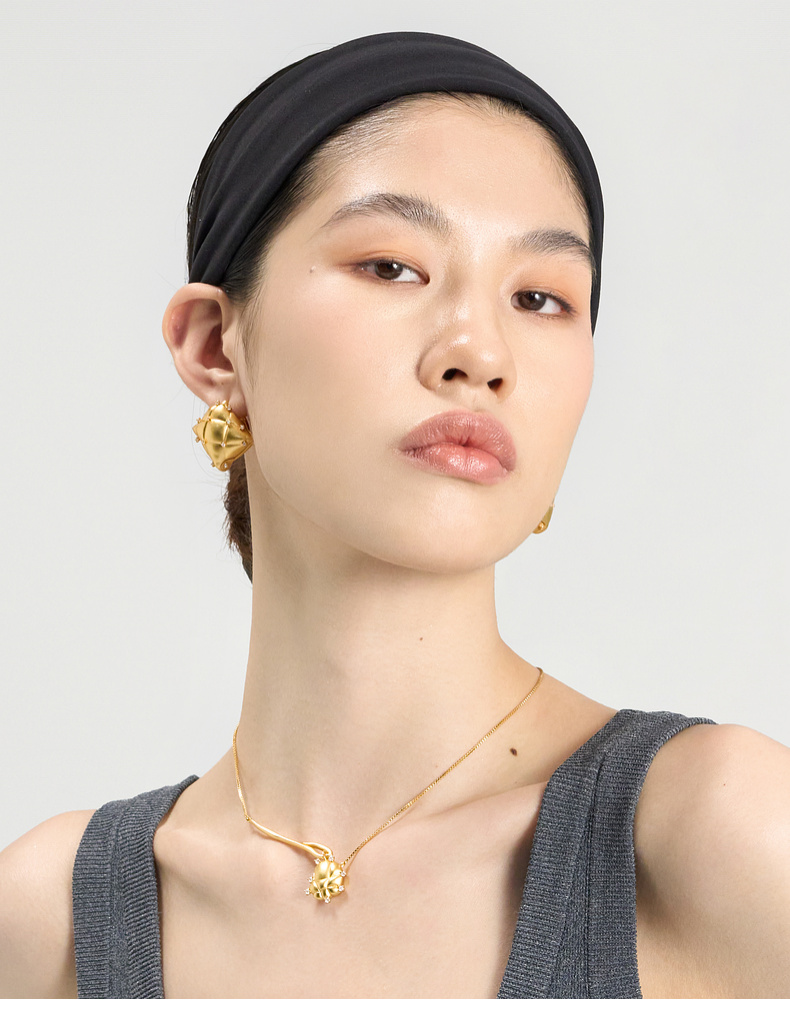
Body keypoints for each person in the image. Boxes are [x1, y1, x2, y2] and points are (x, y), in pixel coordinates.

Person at [1, 30, 788, 1000]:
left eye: (540, 296)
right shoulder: (49, 923)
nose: (479, 352)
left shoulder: (722, 835)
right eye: (391, 266)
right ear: (213, 345)